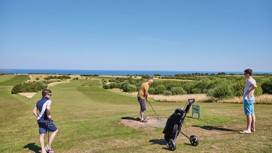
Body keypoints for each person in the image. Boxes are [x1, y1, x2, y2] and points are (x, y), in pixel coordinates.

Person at [239, 69, 257, 134]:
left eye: (245, 73)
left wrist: (249, 91)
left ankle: (248, 129)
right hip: (251, 99)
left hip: (248, 99)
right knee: (252, 113)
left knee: (248, 114)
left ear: (248, 74)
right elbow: (254, 86)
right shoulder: (253, 80)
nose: (244, 74)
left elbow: (255, 86)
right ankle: (253, 128)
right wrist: (250, 90)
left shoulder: (249, 80)